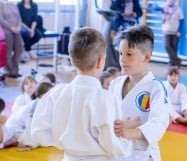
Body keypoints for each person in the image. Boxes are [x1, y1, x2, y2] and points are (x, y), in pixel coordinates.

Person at [31, 27, 131, 160]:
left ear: (72, 60)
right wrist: (127, 139)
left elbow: (39, 132)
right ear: (100, 61)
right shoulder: (105, 98)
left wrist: (66, 141)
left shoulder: (56, 93)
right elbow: (111, 143)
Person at [109, 24, 170, 161]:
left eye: (129, 54)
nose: (122, 60)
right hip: (117, 152)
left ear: (146, 57)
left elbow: (159, 123)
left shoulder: (156, 88)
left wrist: (130, 132)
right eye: (121, 53)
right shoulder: (115, 84)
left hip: (142, 155)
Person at [17, 82, 53, 151]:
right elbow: (29, 124)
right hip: (21, 130)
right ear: (42, 95)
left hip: (31, 128)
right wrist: (28, 143)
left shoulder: (46, 103)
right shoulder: (36, 104)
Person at [0, 0, 24, 78]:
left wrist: (18, 27)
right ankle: (10, 71)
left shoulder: (13, 4)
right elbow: (1, 20)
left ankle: (15, 70)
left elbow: (19, 17)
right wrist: (11, 28)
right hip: (6, 31)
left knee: (19, 49)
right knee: (8, 52)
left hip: (16, 30)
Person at [161, 0, 183, 67]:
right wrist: (164, 11)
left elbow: (182, 20)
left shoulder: (178, 9)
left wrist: (179, 31)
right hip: (166, 31)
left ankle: (172, 63)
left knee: (174, 48)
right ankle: (177, 60)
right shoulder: (164, 7)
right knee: (166, 46)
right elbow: (154, 8)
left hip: (175, 32)